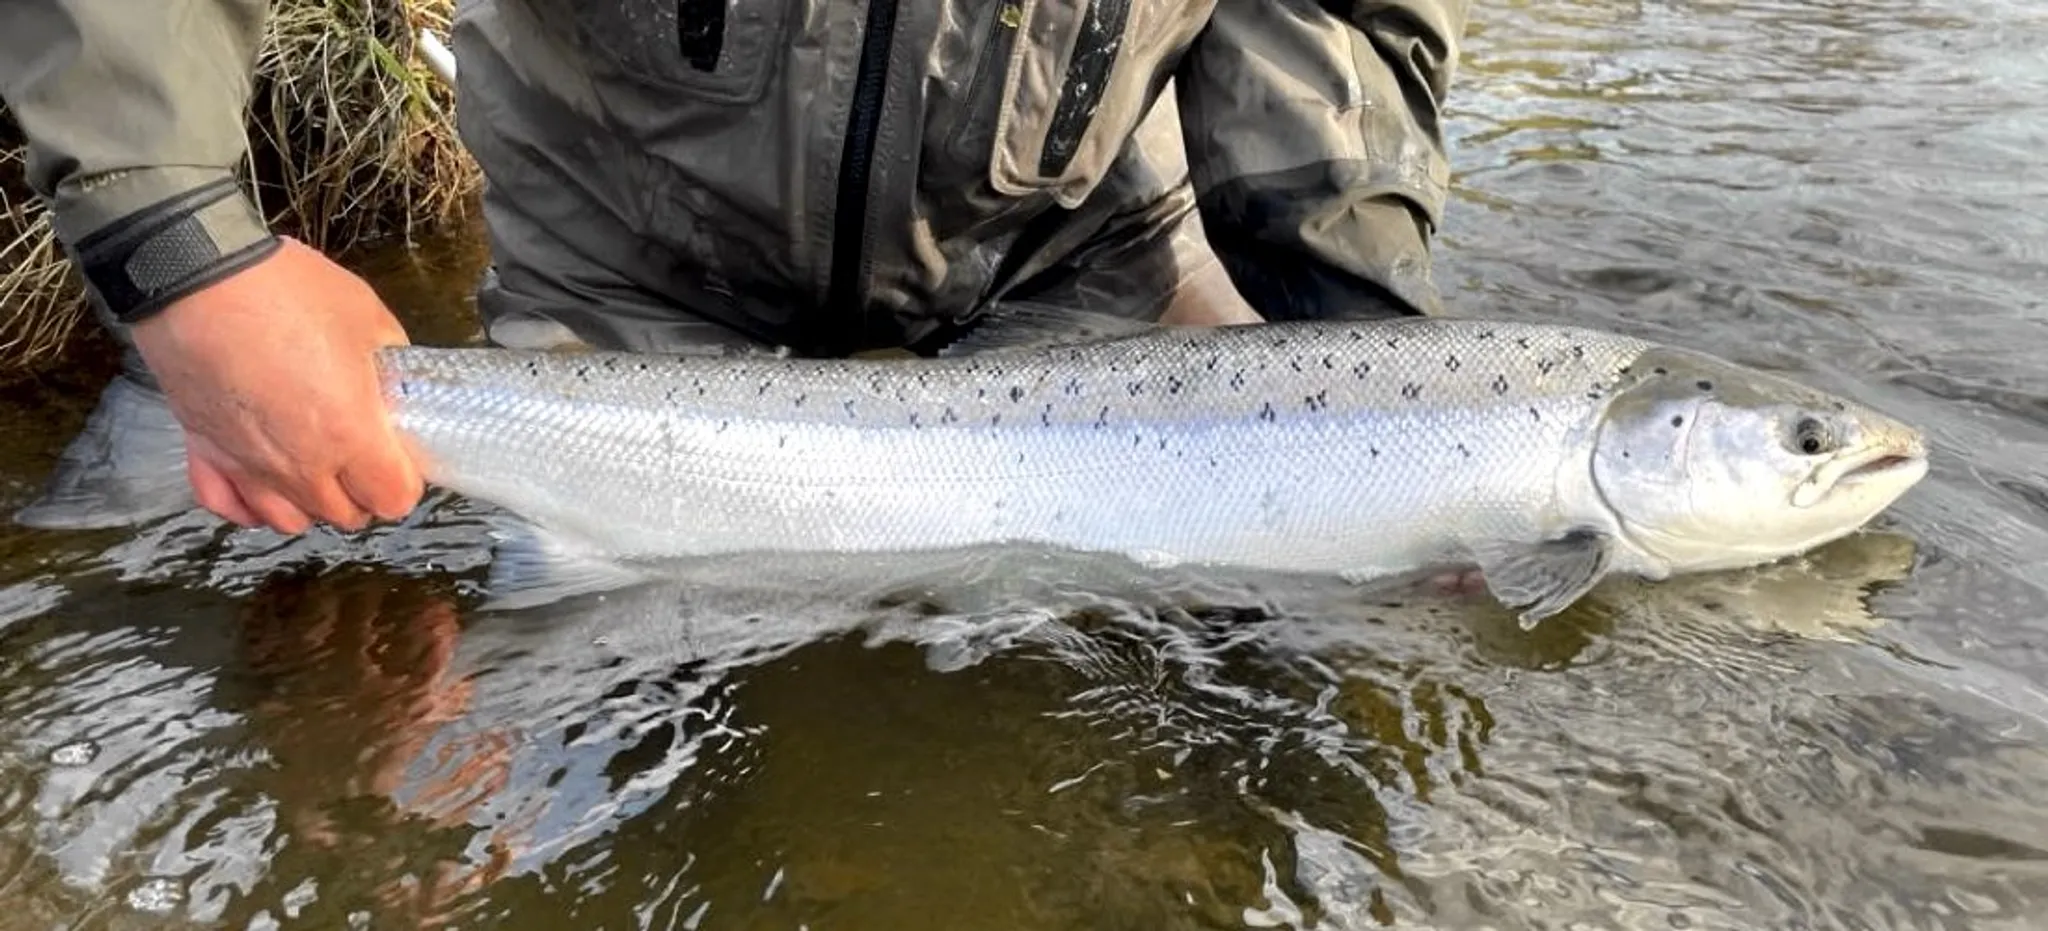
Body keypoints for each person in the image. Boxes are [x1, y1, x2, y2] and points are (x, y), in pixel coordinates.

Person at [0, 0, 1470, 537]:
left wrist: (1366, 351)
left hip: (1070, 250)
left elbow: (1337, 24)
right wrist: (183, 254)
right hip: (631, 247)